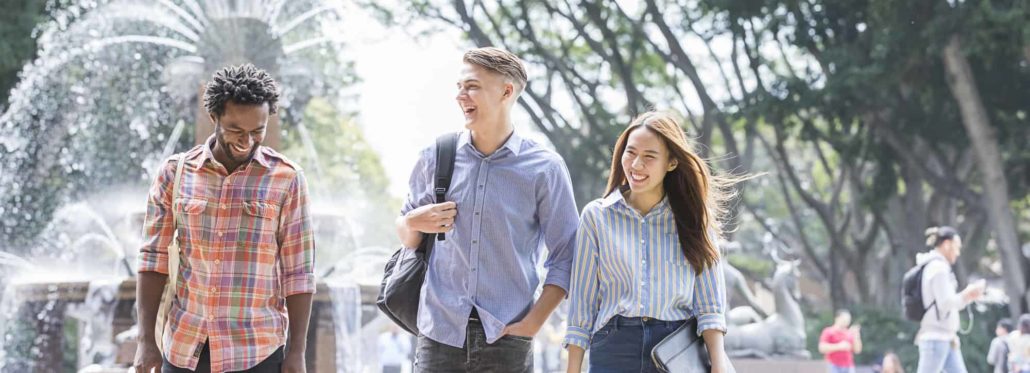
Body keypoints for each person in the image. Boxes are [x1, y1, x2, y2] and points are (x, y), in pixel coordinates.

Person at [396, 47, 579, 373]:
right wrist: (412, 220)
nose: (460, 96)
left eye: (472, 87)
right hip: (439, 334)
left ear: (506, 92)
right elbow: (407, 237)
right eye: (459, 87)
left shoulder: (544, 169)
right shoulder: (435, 156)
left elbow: (567, 255)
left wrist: (533, 323)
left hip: (507, 338)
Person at [133, 64, 315, 373]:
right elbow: (153, 259)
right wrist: (145, 341)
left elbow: (299, 271)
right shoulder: (175, 173)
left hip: (257, 352)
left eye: (257, 131)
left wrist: (297, 353)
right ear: (214, 117)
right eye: (235, 130)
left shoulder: (287, 179)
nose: (247, 141)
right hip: (184, 347)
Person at [563, 111, 733, 372]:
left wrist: (719, 365)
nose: (636, 165)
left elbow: (709, 305)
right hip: (613, 347)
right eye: (630, 153)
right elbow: (582, 305)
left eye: (649, 157)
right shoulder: (596, 217)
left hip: (675, 350)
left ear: (672, 162)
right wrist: (572, 369)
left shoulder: (694, 220)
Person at [915, 226, 985, 373]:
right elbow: (945, 303)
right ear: (947, 244)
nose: (958, 253)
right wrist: (967, 294)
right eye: (956, 247)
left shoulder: (936, 266)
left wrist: (968, 296)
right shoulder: (938, 268)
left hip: (944, 338)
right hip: (936, 338)